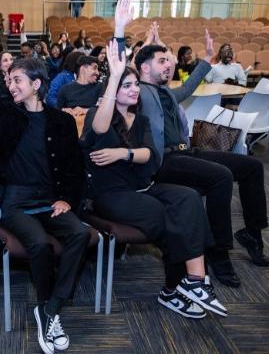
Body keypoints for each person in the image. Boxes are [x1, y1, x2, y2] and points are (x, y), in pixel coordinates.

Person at [0, 0, 91, 354]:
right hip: (16, 202)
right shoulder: (8, 116)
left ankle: (48, 310)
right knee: (38, 245)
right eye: (9, 80)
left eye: (17, 80)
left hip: (51, 200)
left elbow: (74, 169)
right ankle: (50, 314)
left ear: (36, 84)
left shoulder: (61, 122)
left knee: (80, 234)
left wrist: (67, 198)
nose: (10, 84)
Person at [81, 38, 227, 319]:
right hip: (110, 195)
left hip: (142, 186)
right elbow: (100, 128)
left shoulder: (141, 120)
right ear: (112, 90)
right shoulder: (97, 116)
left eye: (136, 85)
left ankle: (195, 282)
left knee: (189, 198)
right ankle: (174, 290)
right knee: (167, 215)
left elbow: (148, 154)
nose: (135, 90)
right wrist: (114, 77)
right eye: (127, 86)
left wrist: (123, 153)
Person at [123, 21, 269, 286]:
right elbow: (122, 76)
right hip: (163, 161)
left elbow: (188, 88)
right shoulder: (137, 93)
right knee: (221, 177)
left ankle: (252, 234)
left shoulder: (165, 91)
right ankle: (218, 252)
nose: (169, 64)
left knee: (251, 166)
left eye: (169, 60)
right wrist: (144, 47)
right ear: (144, 68)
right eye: (162, 61)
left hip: (186, 152)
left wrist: (205, 59)